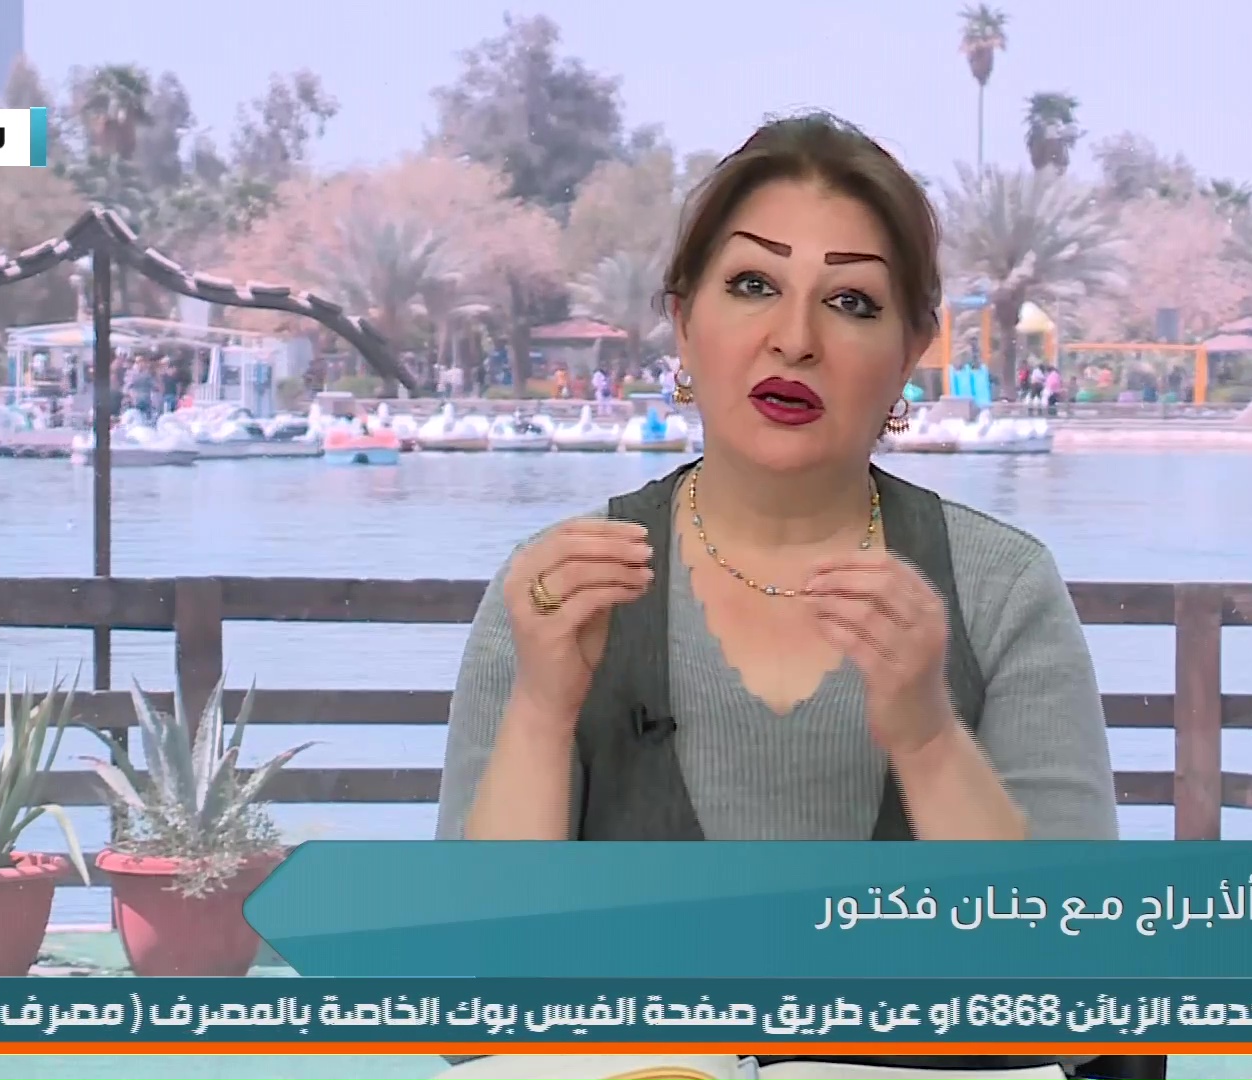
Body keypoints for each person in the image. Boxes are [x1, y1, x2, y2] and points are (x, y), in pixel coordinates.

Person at [438, 112, 1131, 1080]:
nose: (795, 340)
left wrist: (930, 740)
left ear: (912, 349)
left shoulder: (1002, 589)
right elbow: (471, 1011)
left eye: (851, 301)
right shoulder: (556, 590)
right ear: (684, 319)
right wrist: (544, 713)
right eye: (753, 285)